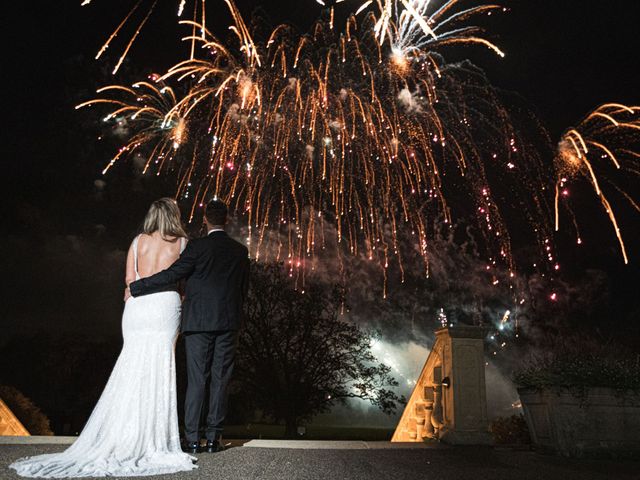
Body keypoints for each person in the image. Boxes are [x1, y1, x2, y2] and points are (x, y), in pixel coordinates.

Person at [10, 198, 197, 478]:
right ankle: (153, 436)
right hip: (165, 306)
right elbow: (182, 281)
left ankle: (123, 434)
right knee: (160, 368)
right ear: (174, 216)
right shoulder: (182, 244)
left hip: (137, 308)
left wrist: (136, 291)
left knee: (131, 365)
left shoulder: (138, 242)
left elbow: (129, 281)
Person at [127, 199, 250, 454]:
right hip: (228, 322)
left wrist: (138, 287)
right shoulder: (240, 251)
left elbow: (173, 274)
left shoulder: (197, 247)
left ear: (205, 219)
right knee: (221, 380)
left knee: (197, 380)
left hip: (198, 322)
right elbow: (243, 289)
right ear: (226, 220)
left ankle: (193, 439)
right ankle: (214, 439)